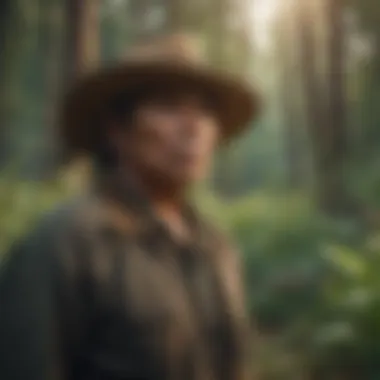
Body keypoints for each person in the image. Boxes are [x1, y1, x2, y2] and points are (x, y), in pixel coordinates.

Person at [0, 34, 261, 380]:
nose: (194, 127)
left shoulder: (215, 245)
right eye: (168, 107)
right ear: (117, 130)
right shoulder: (64, 246)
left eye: (205, 111)